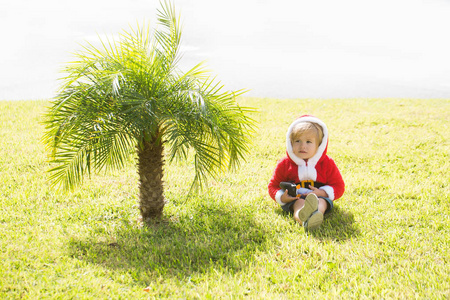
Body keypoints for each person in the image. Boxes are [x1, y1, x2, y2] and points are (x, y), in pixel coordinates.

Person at [268, 115, 345, 230]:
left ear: (319, 145)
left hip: (319, 197)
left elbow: (339, 186)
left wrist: (322, 193)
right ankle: (302, 218)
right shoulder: (285, 164)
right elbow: (273, 186)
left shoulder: (327, 163)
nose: (302, 146)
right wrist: (282, 197)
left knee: (321, 203)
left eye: (308, 142)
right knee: (298, 205)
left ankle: (316, 214)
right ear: (290, 143)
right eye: (297, 141)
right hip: (296, 199)